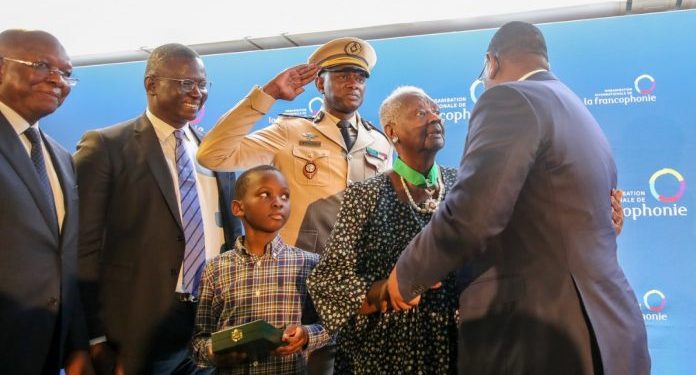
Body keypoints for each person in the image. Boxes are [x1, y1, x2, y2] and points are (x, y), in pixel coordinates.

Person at [386, 22, 650, 375]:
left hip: (540, 338)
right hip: (609, 332)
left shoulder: (509, 98)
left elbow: (472, 215)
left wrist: (407, 274)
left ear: (491, 62)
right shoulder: (577, 110)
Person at [75, 43, 243, 374]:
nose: (198, 92)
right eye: (186, 83)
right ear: (151, 84)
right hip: (136, 327)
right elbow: (84, 248)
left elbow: (230, 235)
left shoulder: (214, 151)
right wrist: (93, 337)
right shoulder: (106, 146)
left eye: (203, 84)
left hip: (209, 323)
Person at [308, 86, 458, 374]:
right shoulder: (365, 195)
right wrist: (386, 291)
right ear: (392, 132)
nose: (434, 118)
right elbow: (327, 282)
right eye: (420, 113)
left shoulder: (463, 185)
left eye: (436, 111)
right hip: (383, 351)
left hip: (453, 343)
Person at [197, 37, 393, 255]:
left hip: (360, 274)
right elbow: (212, 155)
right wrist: (268, 94)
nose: (353, 83)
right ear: (320, 83)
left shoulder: (380, 142)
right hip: (298, 273)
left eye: (360, 78)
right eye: (343, 76)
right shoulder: (289, 131)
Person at [0, 29, 93, 375]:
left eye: (67, 73)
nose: (57, 80)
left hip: (48, 350)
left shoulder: (60, 156)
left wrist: (77, 342)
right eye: (42, 65)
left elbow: (63, 259)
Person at [191, 165, 331, 374]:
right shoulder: (215, 268)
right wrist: (213, 352)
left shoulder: (309, 264)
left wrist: (306, 335)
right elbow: (199, 341)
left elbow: (330, 326)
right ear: (238, 208)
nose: (277, 202)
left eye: (285, 196)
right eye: (265, 194)